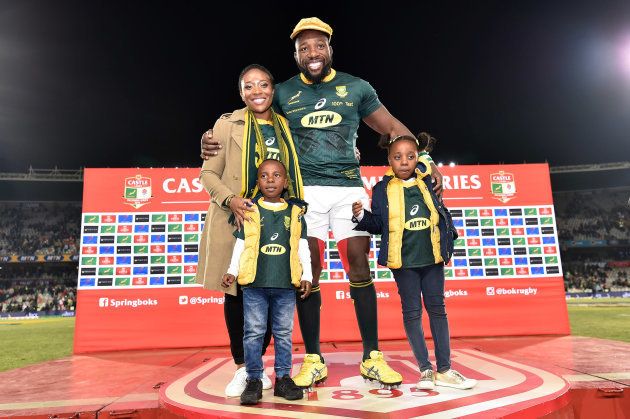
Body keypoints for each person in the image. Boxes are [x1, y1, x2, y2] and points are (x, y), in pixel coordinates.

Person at [200, 17, 444, 389]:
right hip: (304, 192)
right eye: (303, 48)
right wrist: (210, 138)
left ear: (330, 48)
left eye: (318, 46)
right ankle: (313, 358)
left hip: (347, 188)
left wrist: (423, 159)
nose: (311, 53)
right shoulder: (282, 91)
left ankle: (372, 357)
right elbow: (251, 114)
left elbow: (393, 128)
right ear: (295, 54)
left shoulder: (356, 87)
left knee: (360, 267)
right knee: (308, 273)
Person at [195, 64, 305, 397]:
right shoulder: (227, 124)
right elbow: (208, 175)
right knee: (239, 295)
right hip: (236, 221)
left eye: (263, 84)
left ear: (274, 89)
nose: (256, 91)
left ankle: (265, 367)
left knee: (273, 293)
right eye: (248, 86)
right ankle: (245, 369)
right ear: (241, 92)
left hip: (276, 223)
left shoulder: (287, 127)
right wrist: (231, 200)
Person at [352, 134, 477, 390]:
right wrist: (361, 216)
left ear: (418, 158)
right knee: (412, 313)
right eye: (397, 157)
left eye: (410, 156)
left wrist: (448, 241)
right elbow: (379, 225)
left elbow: (442, 214)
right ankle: (425, 370)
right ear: (388, 159)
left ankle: (444, 369)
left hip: (432, 260)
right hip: (404, 264)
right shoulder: (381, 189)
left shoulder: (429, 182)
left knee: (438, 310)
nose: (405, 162)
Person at [222, 158, 313, 405]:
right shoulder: (250, 210)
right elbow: (240, 245)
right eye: (264, 175)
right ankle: (253, 379)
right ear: (258, 181)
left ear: (285, 182)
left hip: (285, 285)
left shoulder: (295, 214)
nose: (270, 180)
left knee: (284, 333)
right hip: (254, 285)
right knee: (253, 333)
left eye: (276, 175)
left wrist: (307, 276)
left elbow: (302, 246)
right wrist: (232, 270)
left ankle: (283, 378)